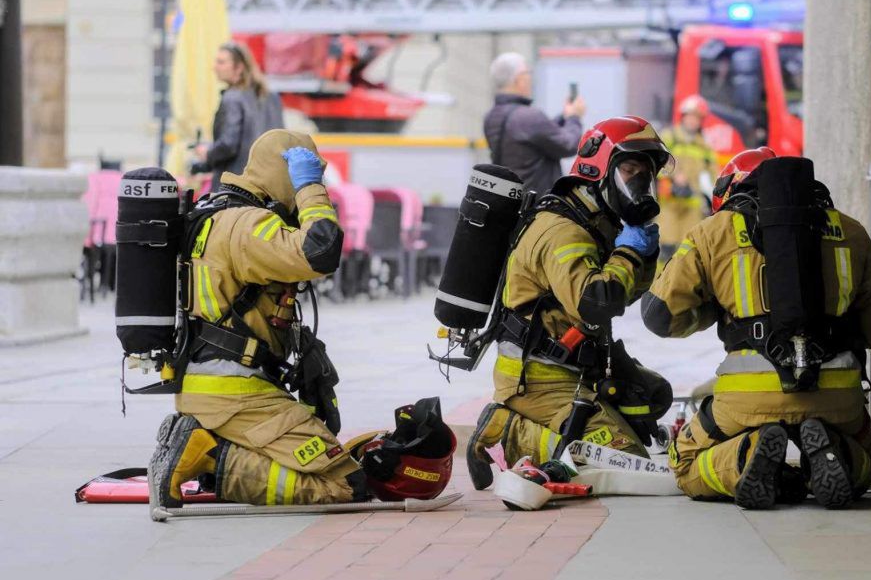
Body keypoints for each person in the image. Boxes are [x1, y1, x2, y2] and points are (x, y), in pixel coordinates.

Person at [149, 130, 453, 508]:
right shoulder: (249, 226)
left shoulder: (217, 213)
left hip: (218, 387)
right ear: (285, 173)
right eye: (307, 176)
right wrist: (310, 189)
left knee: (329, 454)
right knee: (345, 484)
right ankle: (210, 454)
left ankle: (206, 444)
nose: (313, 185)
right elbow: (320, 250)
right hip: (238, 397)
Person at [641, 149, 871, 510]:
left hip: (747, 396)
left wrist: (716, 311)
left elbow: (659, 317)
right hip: (837, 394)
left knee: (685, 461)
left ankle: (746, 456)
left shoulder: (712, 232)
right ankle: (839, 456)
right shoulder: (852, 231)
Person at [464, 116, 675, 491]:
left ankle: (584, 421)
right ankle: (505, 431)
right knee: (628, 460)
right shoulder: (563, 231)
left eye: (646, 173)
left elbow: (627, 293)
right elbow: (595, 303)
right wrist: (628, 251)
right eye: (629, 169)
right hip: (540, 382)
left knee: (651, 395)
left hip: (580, 368)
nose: (640, 183)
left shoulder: (597, 220)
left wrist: (644, 251)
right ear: (599, 169)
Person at [483, 52, 586, 195]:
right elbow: (568, 144)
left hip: (510, 202)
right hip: (535, 209)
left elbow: (540, 135)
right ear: (519, 79)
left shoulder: (492, 116)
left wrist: (564, 116)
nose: (531, 78)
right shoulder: (529, 117)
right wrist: (574, 117)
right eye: (528, 72)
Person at [194, 41, 284, 190]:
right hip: (269, 184)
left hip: (235, 186)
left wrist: (208, 153)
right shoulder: (271, 96)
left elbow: (229, 144)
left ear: (239, 67)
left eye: (221, 62)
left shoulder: (232, 98)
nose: (214, 67)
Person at [657, 94, 717, 262]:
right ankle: (661, 286)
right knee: (666, 250)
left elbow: (713, 172)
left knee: (688, 252)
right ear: (683, 116)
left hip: (692, 205)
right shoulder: (670, 137)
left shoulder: (703, 144)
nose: (693, 121)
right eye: (690, 116)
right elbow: (657, 162)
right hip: (670, 203)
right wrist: (675, 176)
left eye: (697, 118)